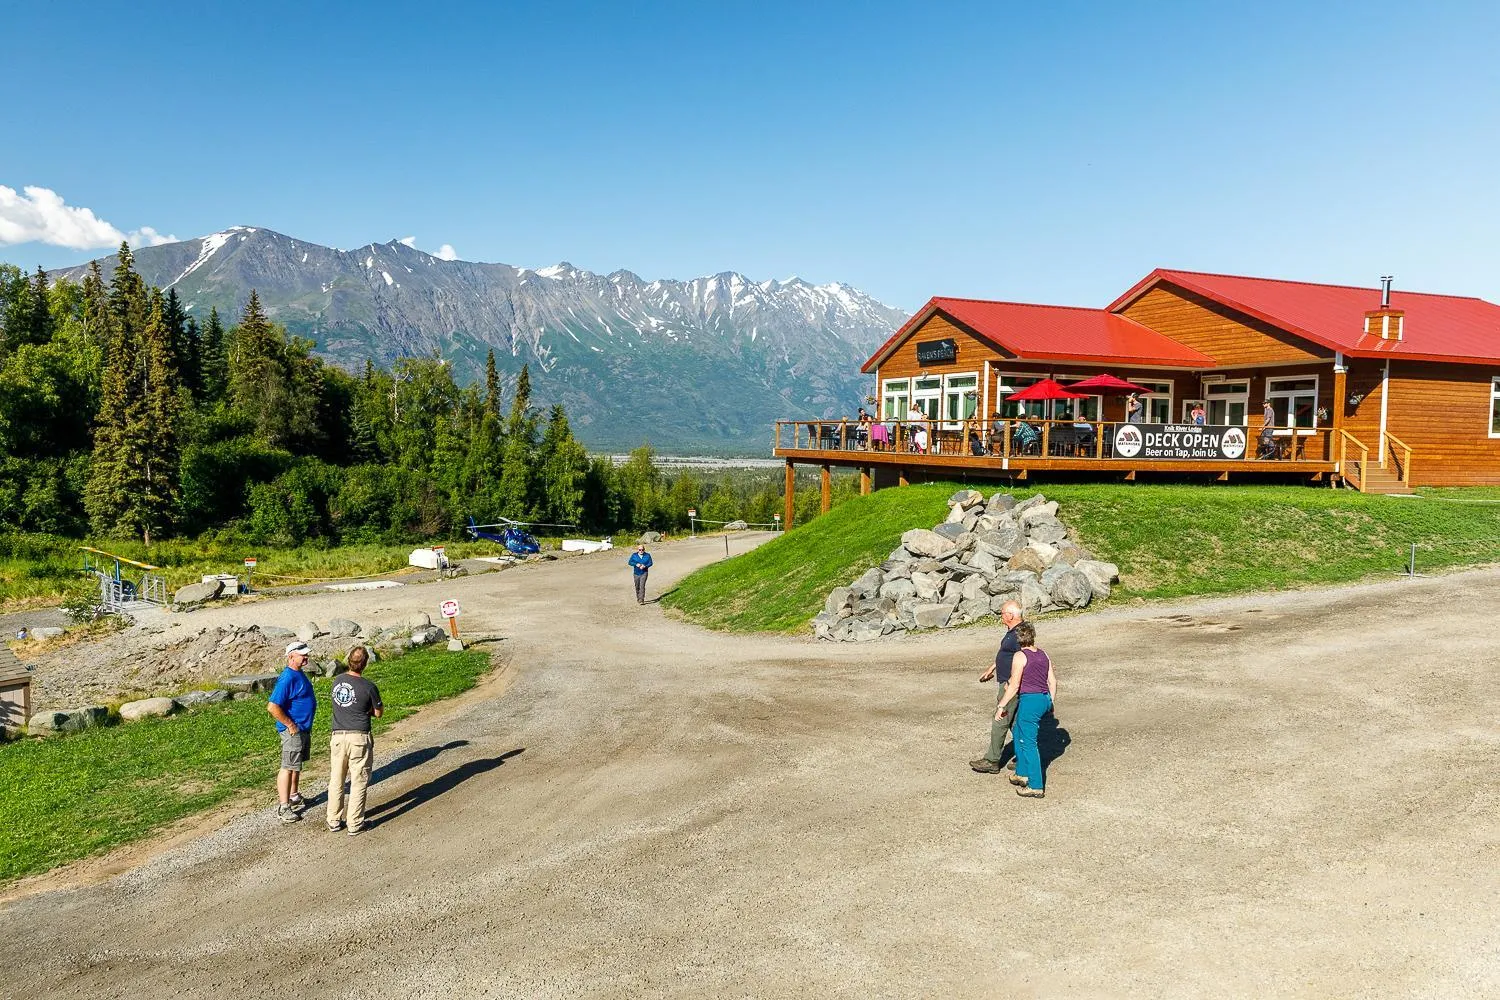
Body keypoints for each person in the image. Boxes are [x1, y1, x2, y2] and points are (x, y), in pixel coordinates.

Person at [995, 621, 1056, 799]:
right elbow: (1052, 681)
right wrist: (1050, 702)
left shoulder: (1020, 656)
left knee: (1029, 742)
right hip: (1044, 698)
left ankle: (1035, 785)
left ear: (1018, 639)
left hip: (1030, 700)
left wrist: (1001, 706)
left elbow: (1014, 685)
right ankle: (1021, 772)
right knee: (1018, 731)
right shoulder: (1043, 654)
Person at [327, 645, 383, 836]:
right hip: (358, 736)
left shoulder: (337, 681)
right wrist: (367, 709)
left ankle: (334, 819)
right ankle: (355, 822)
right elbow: (378, 713)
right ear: (365, 663)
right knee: (359, 780)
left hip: (338, 735)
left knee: (337, 779)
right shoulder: (369, 687)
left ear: (348, 661)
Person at [971, 600, 1024, 774]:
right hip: (1007, 681)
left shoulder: (1020, 633)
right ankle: (1025, 757)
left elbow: (1024, 658)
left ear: (1011, 615)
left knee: (1000, 719)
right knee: (1015, 723)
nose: (1000, 615)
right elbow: (1006, 654)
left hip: (1010, 685)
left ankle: (992, 760)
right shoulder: (1012, 632)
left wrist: (1011, 682)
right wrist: (992, 668)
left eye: (1002, 612)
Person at [267, 641, 318, 824]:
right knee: (288, 767)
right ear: (291, 656)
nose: (306, 657)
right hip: (293, 731)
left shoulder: (298, 673)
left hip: (302, 728)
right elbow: (272, 707)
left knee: (296, 765)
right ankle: (284, 807)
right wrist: (290, 724)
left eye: (306, 654)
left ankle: (294, 796)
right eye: (302, 655)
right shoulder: (287, 678)